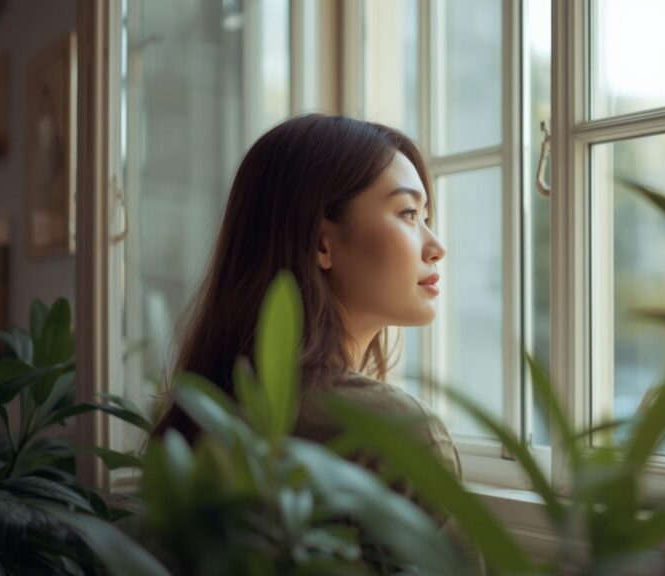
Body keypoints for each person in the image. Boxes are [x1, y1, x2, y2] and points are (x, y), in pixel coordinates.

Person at [151, 113, 481, 572]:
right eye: (408, 213)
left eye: (426, 217)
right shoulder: (394, 432)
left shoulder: (202, 413)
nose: (436, 244)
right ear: (321, 243)